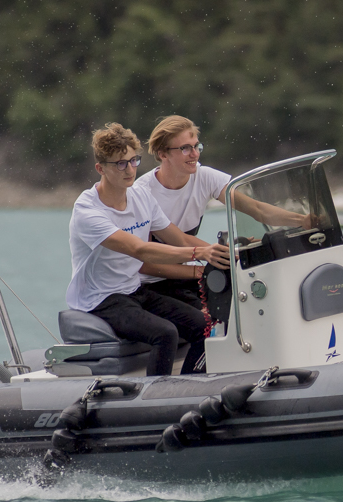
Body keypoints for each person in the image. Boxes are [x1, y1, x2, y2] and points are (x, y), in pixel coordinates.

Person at [66, 123, 228, 375]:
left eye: (133, 161)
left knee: (203, 324)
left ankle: (189, 387)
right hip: (100, 299)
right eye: (120, 164)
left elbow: (180, 239)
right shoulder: (88, 210)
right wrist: (199, 255)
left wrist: (227, 254)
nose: (129, 169)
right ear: (100, 168)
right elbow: (140, 250)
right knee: (165, 333)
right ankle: (156, 397)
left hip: (134, 289)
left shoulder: (141, 196)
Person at [134, 114, 311, 305]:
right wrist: (205, 270)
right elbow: (145, 265)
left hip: (184, 275)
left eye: (196, 146)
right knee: (203, 319)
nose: (195, 154)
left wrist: (303, 221)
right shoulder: (142, 192)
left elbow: (257, 209)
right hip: (151, 283)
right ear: (163, 154)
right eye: (185, 148)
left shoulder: (205, 177)